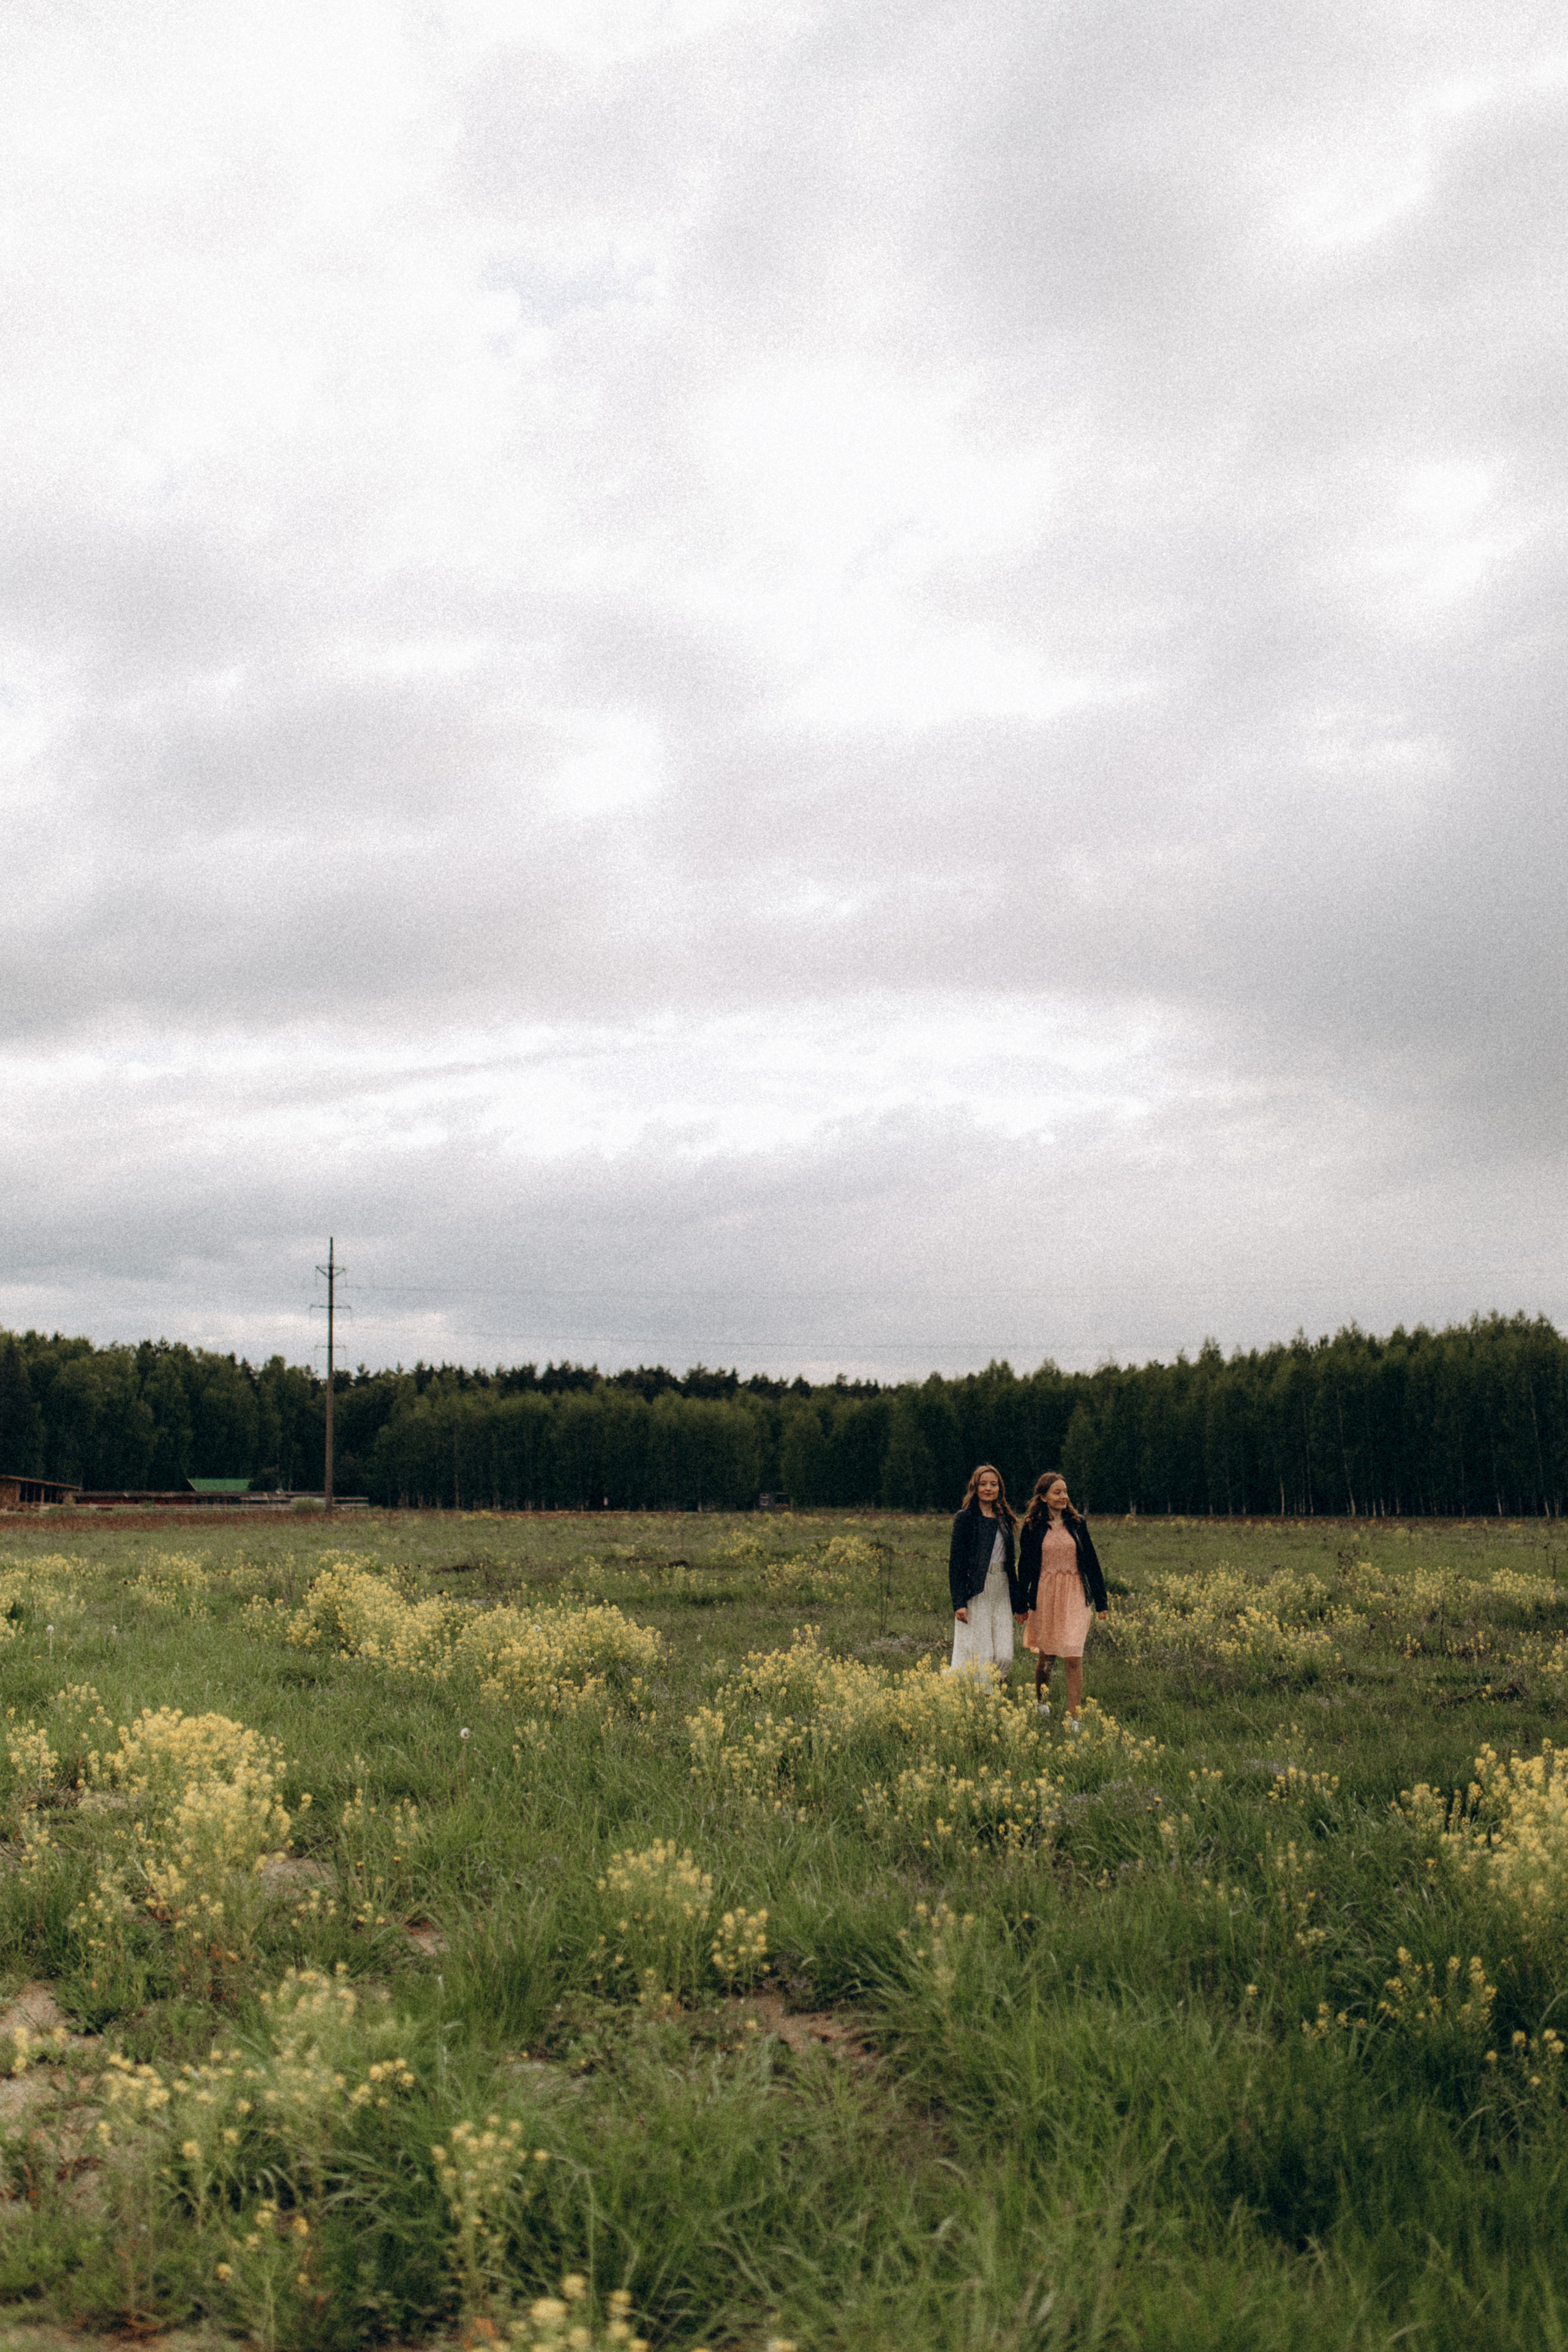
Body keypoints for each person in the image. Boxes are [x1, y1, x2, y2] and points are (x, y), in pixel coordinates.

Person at [1018, 1471, 1108, 1731]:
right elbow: (1025, 1567)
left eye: (1065, 1492)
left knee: (1073, 1654)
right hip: (1046, 1593)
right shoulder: (1033, 1527)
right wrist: (1021, 1604)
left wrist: (1101, 1602)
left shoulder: (1078, 1523)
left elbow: (1091, 1562)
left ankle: (1074, 1720)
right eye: (1057, 1492)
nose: (1063, 1497)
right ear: (1044, 1497)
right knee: (1048, 1655)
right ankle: (1042, 1703)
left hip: (1076, 1593)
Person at [948, 1463, 1024, 1679]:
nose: (989, 1488)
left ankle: (994, 1687)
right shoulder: (965, 1518)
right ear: (975, 1488)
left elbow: (1012, 1566)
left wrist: (1019, 1604)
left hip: (1002, 1590)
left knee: (1004, 1656)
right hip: (977, 1590)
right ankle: (983, 1701)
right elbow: (956, 1564)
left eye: (993, 1484)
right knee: (983, 1654)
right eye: (983, 1484)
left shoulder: (1005, 1520)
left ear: (1000, 1488)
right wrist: (959, 1603)